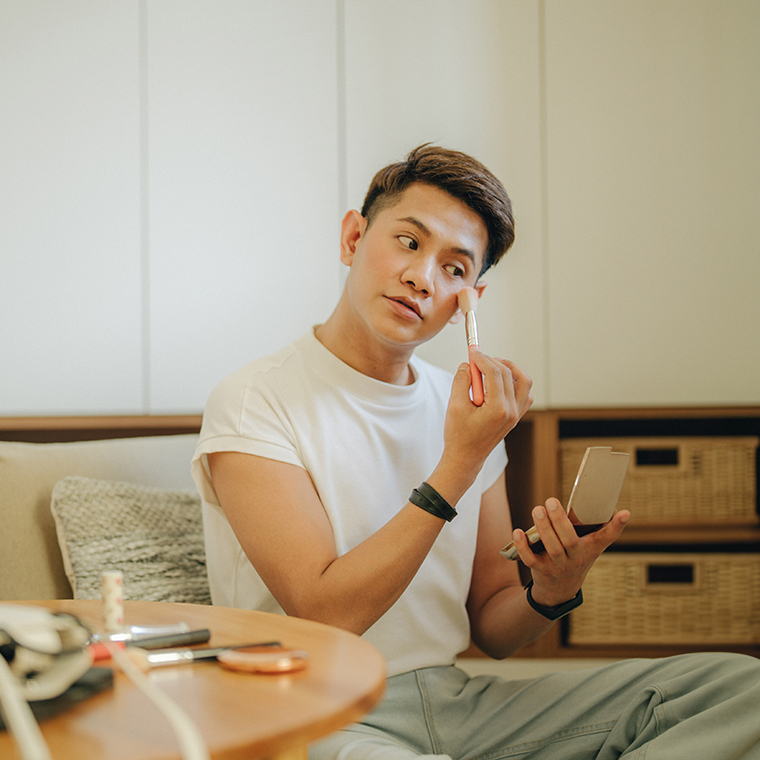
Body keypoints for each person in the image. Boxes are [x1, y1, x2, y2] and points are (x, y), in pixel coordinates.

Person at [192, 144, 760, 760]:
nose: (422, 278)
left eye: (454, 269)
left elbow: (493, 627)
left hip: (456, 704)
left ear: (469, 301)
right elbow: (326, 615)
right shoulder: (255, 399)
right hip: (317, 709)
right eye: (409, 242)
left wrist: (551, 590)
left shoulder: (465, 409)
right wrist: (459, 462)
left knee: (739, 688)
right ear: (354, 237)